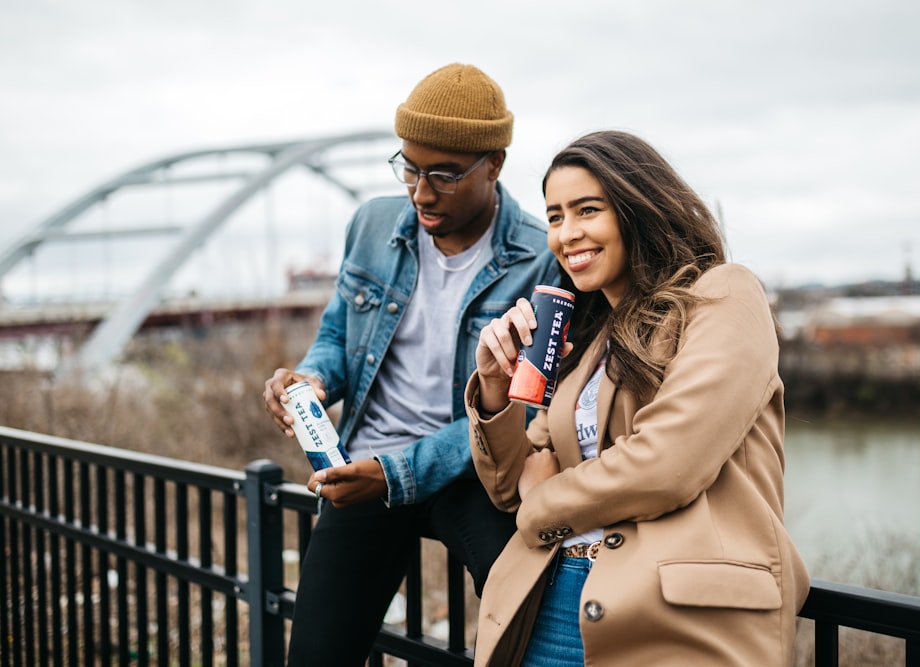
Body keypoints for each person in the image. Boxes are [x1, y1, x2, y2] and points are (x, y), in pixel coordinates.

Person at [466, 130, 810, 666]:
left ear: (637, 208)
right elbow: (512, 483)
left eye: (587, 210)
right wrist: (492, 389)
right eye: (554, 217)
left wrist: (543, 503)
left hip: (675, 620)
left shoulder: (723, 295)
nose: (567, 233)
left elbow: (668, 463)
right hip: (552, 604)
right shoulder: (592, 342)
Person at [262, 63, 560, 666]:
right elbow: (339, 332)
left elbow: (527, 410)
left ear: (494, 164)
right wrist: (313, 379)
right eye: (409, 167)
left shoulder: (539, 258)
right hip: (365, 465)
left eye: (444, 175)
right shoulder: (371, 223)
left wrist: (395, 473)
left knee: (530, 626)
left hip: (472, 473)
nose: (420, 192)